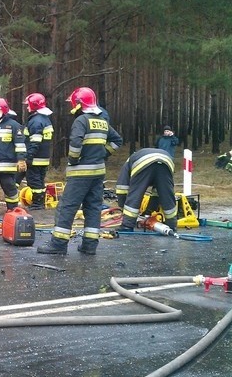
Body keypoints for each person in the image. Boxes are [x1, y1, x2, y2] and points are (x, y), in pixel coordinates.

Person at [37, 87, 123, 255]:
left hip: (80, 174)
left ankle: (58, 244)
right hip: (98, 173)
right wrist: (103, 154)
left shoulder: (81, 120)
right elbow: (117, 140)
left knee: (67, 207)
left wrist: (74, 160)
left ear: (79, 103)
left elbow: (75, 144)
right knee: (92, 208)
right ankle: (89, 246)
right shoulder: (102, 121)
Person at [115, 148, 177, 231]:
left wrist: (123, 206)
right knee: (167, 195)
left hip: (143, 163)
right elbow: (159, 192)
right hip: (167, 161)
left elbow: (121, 188)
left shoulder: (130, 160)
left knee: (135, 194)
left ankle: (127, 226)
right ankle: (172, 225)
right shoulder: (136, 157)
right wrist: (149, 210)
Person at [17, 93, 54, 210]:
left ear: (34, 105)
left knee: (34, 182)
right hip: (43, 158)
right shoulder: (45, 119)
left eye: (28, 105)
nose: (27, 107)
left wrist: (28, 157)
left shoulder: (36, 121)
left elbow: (35, 141)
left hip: (35, 159)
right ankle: (39, 202)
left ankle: (38, 204)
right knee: (39, 181)